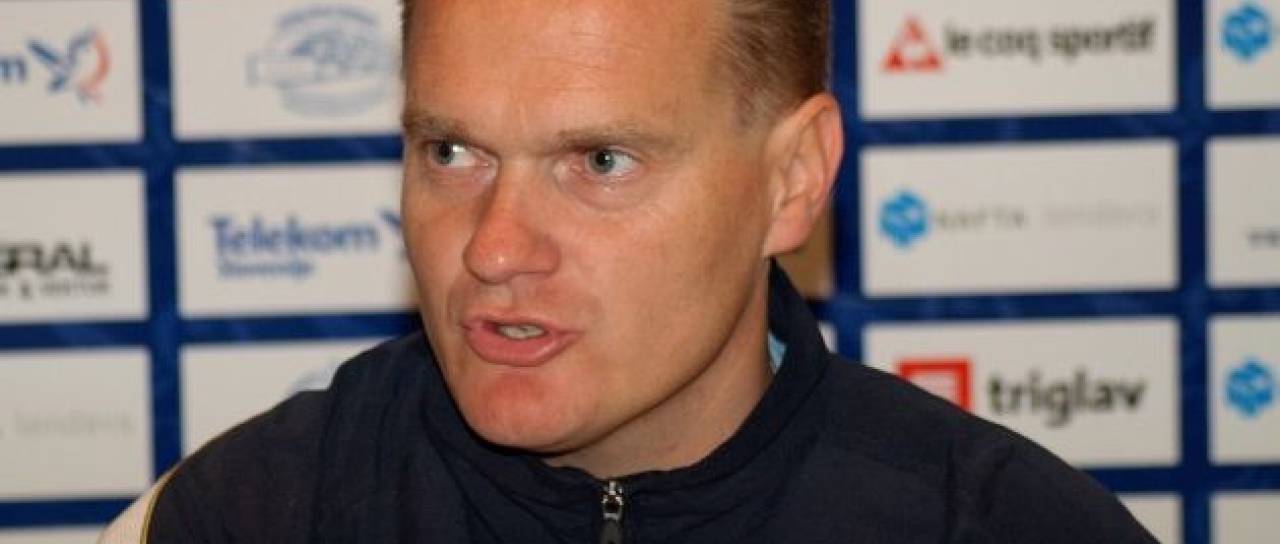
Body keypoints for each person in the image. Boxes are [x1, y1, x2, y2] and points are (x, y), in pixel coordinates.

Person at [102, 0, 1157, 542]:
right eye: (451, 152)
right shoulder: (247, 514)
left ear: (792, 180)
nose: (494, 249)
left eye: (601, 161)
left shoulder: (1000, 527)